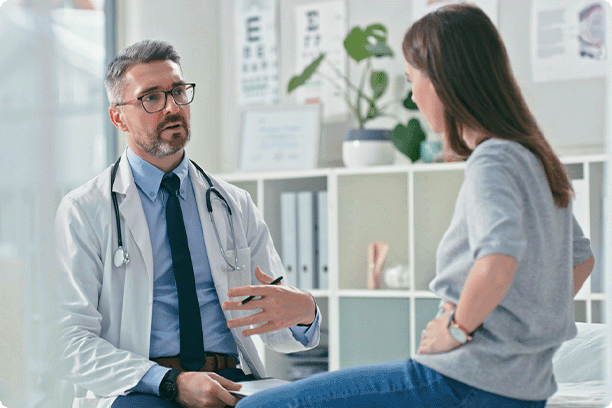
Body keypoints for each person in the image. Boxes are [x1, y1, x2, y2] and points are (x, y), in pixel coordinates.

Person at [235, 4, 595, 407]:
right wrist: (525, 331)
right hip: (522, 389)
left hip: (465, 381)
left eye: (412, 80)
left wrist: (456, 330)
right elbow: (581, 260)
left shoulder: (492, 161)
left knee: (258, 406)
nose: (411, 95)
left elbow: (497, 263)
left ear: (442, 80)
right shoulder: (536, 159)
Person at [54, 39, 320, 408]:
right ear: (118, 117)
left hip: (232, 381)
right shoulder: (84, 209)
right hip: (140, 385)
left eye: (178, 91)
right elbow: (70, 342)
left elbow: (275, 329)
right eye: (151, 98)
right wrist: (170, 383)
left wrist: (305, 313)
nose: (172, 107)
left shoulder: (234, 204)